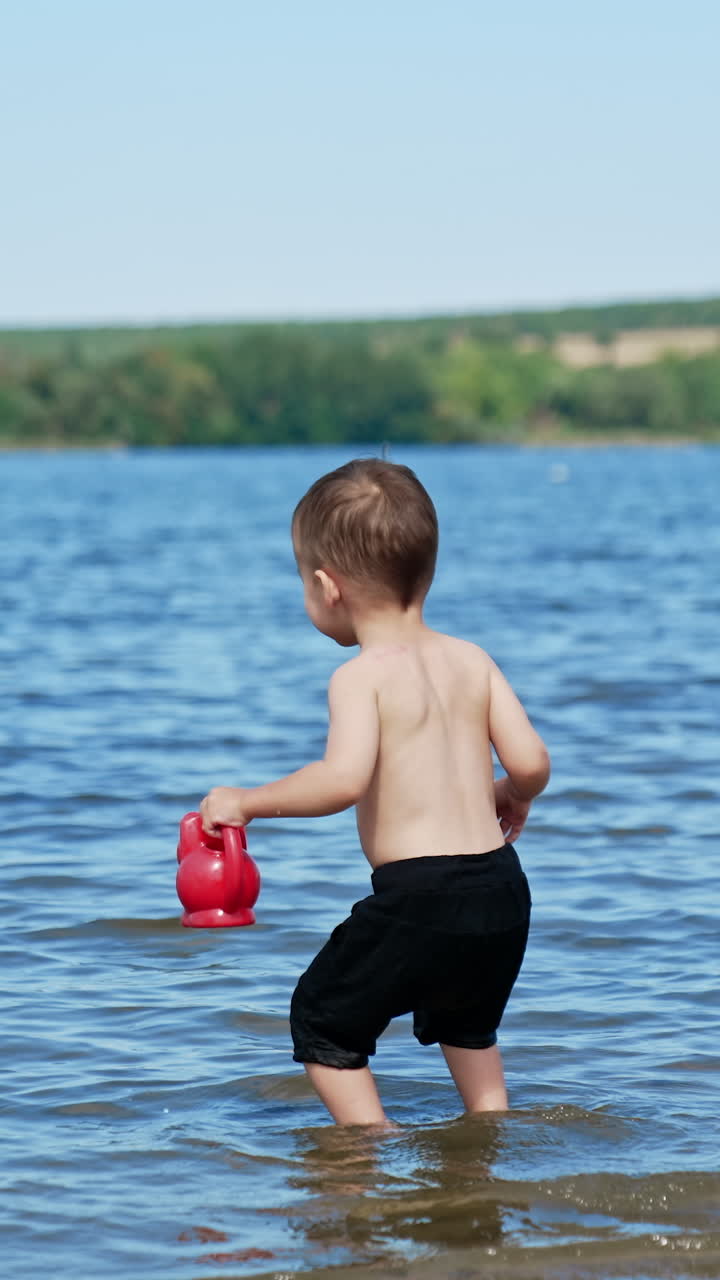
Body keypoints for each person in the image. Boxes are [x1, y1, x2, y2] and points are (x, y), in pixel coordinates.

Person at [200, 459, 550, 1127]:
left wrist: (245, 802)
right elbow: (532, 760)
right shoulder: (471, 658)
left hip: (422, 896)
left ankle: (368, 1150)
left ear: (328, 587)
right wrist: (510, 792)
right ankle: (489, 1139)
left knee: (323, 1019)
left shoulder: (360, 678)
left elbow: (341, 779)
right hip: (503, 892)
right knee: (467, 1025)